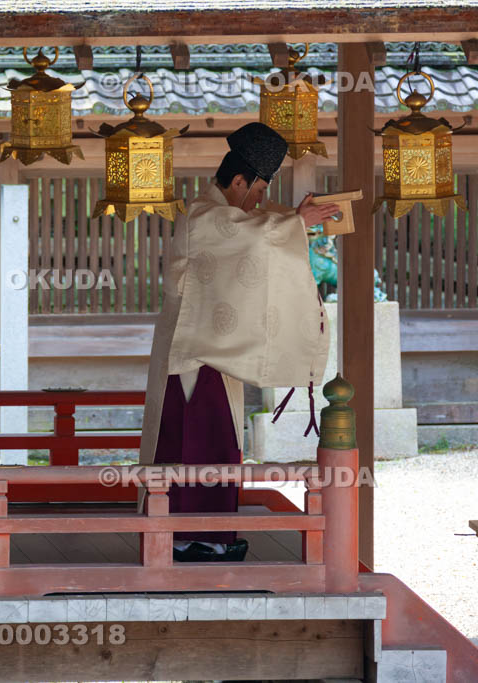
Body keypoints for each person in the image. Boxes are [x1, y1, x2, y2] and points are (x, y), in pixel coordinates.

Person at [137, 122, 338, 562]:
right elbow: (252, 235)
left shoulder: (227, 215)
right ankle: (185, 537)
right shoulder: (202, 215)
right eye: (259, 189)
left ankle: (208, 536)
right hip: (188, 353)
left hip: (209, 349)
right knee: (193, 441)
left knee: (217, 443)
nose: (260, 199)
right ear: (239, 180)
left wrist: (294, 222)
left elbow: (257, 232)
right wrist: (294, 223)